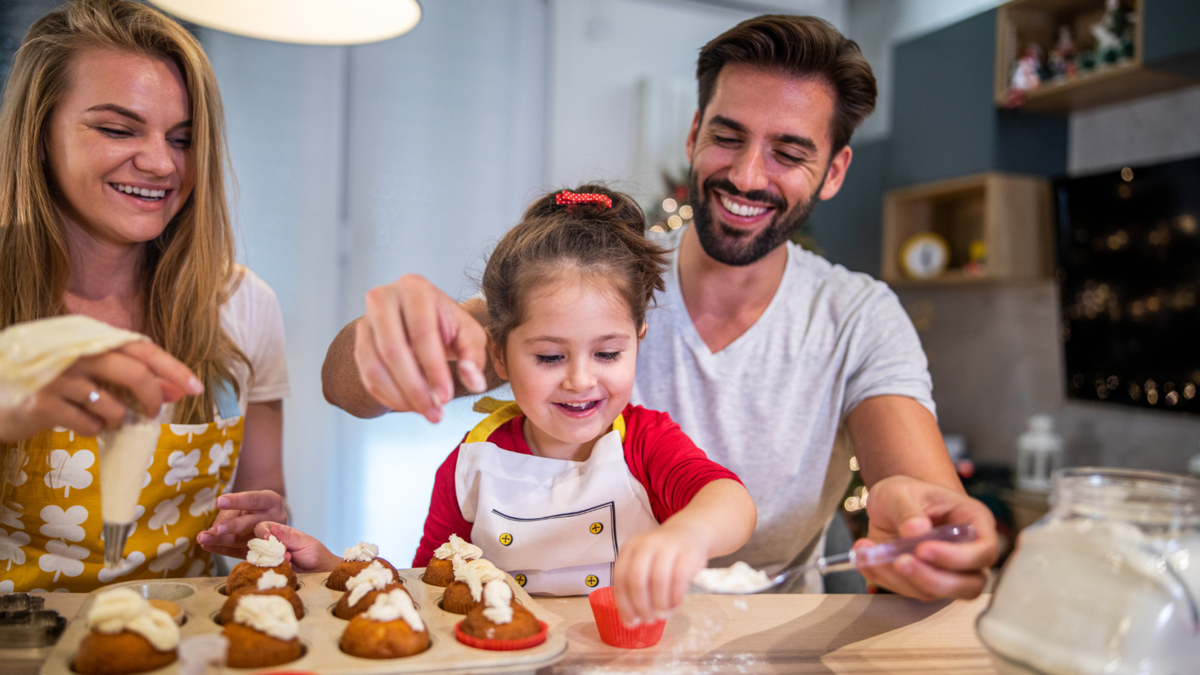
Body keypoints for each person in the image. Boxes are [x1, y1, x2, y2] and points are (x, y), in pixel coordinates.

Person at [320, 15, 999, 600]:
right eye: (728, 136)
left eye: (789, 152)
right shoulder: (605, 276)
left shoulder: (856, 317)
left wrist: (923, 528)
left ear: (836, 170)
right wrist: (388, 336)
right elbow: (347, 387)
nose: (746, 174)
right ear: (694, 133)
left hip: (769, 643)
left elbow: (918, 491)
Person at [261, 185, 756, 624]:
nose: (581, 379)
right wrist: (333, 568)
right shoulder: (471, 464)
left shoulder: (646, 443)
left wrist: (687, 536)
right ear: (498, 352)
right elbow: (427, 590)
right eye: (549, 355)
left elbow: (731, 502)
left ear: (638, 340)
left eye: (608, 353)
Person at [0, 0, 288, 592]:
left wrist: (265, 527)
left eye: (183, 139)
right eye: (116, 129)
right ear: (39, 132)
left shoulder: (243, 304)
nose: (161, 163)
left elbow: (268, 509)